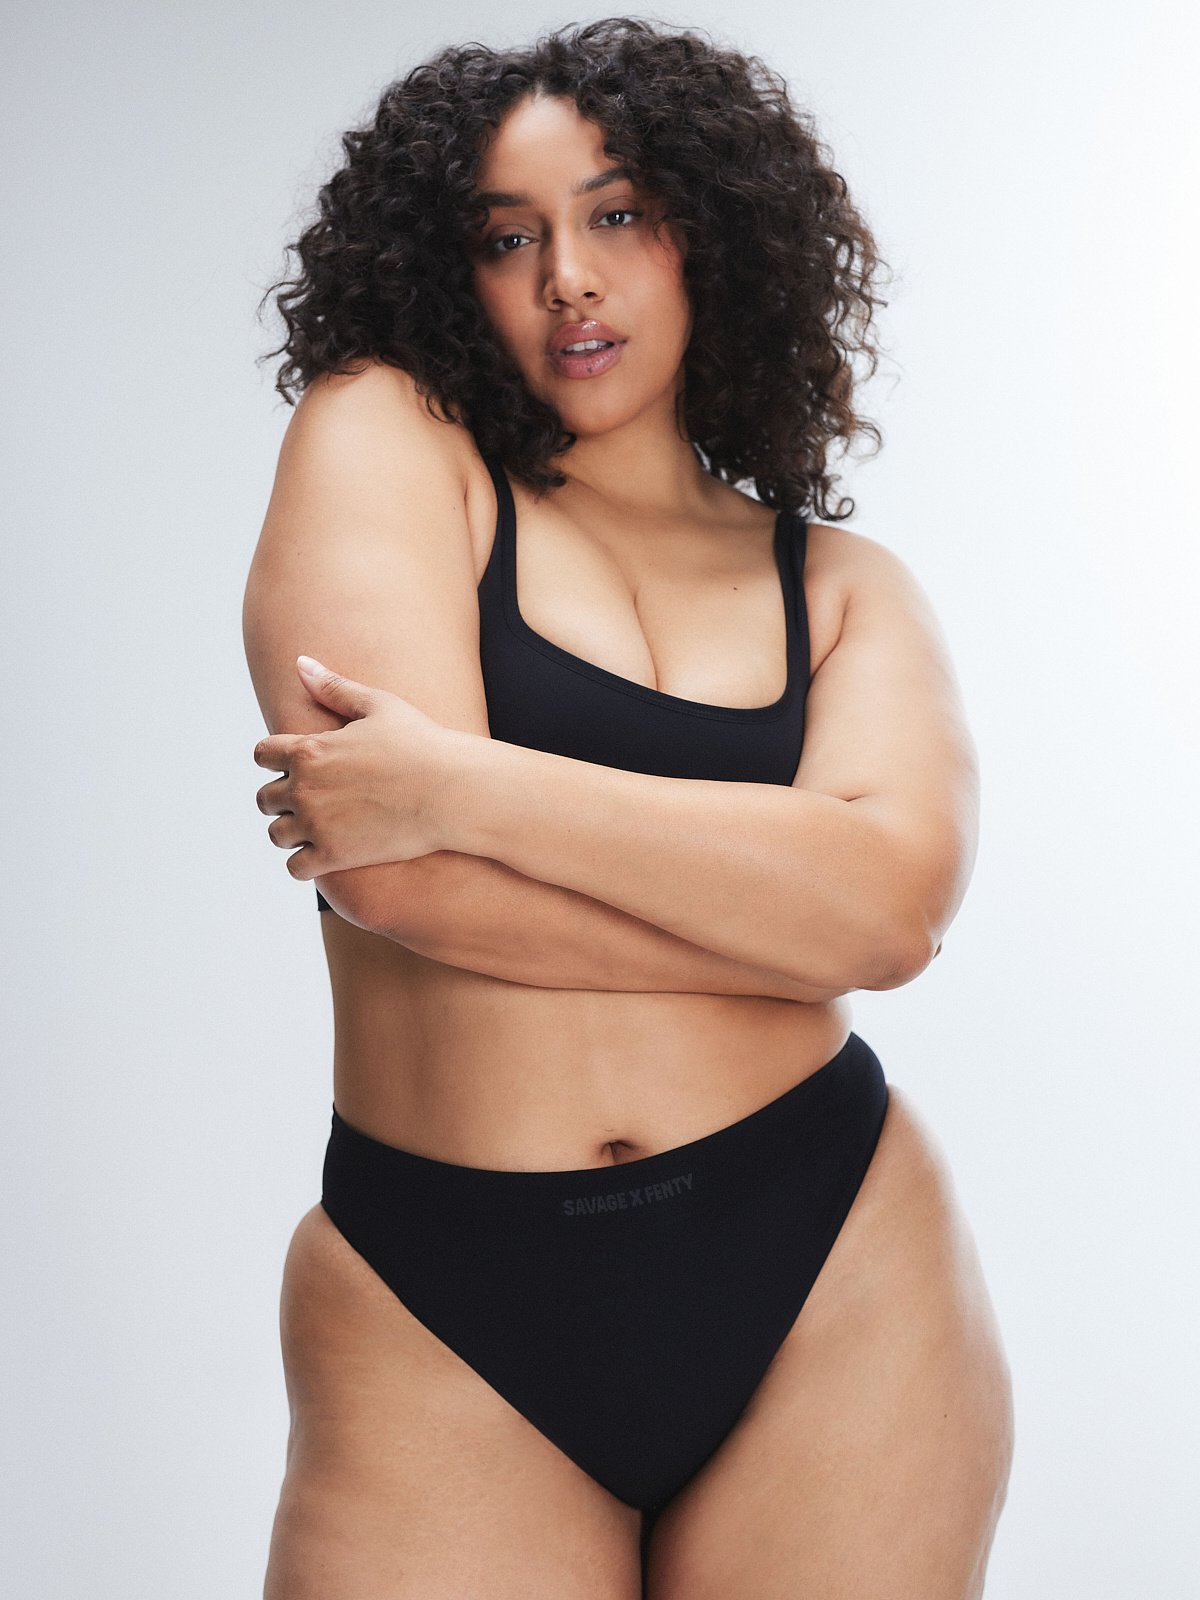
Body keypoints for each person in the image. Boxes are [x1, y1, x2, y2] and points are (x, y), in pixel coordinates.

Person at [244, 17, 1013, 1596]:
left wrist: (466, 782)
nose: (567, 280)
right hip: (441, 1291)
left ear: (713, 237)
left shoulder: (846, 587)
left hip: (834, 1266)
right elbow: (395, 879)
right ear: (446, 270)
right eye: (506, 238)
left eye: (617, 215)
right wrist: (782, 911)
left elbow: (891, 915)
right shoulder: (386, 435)